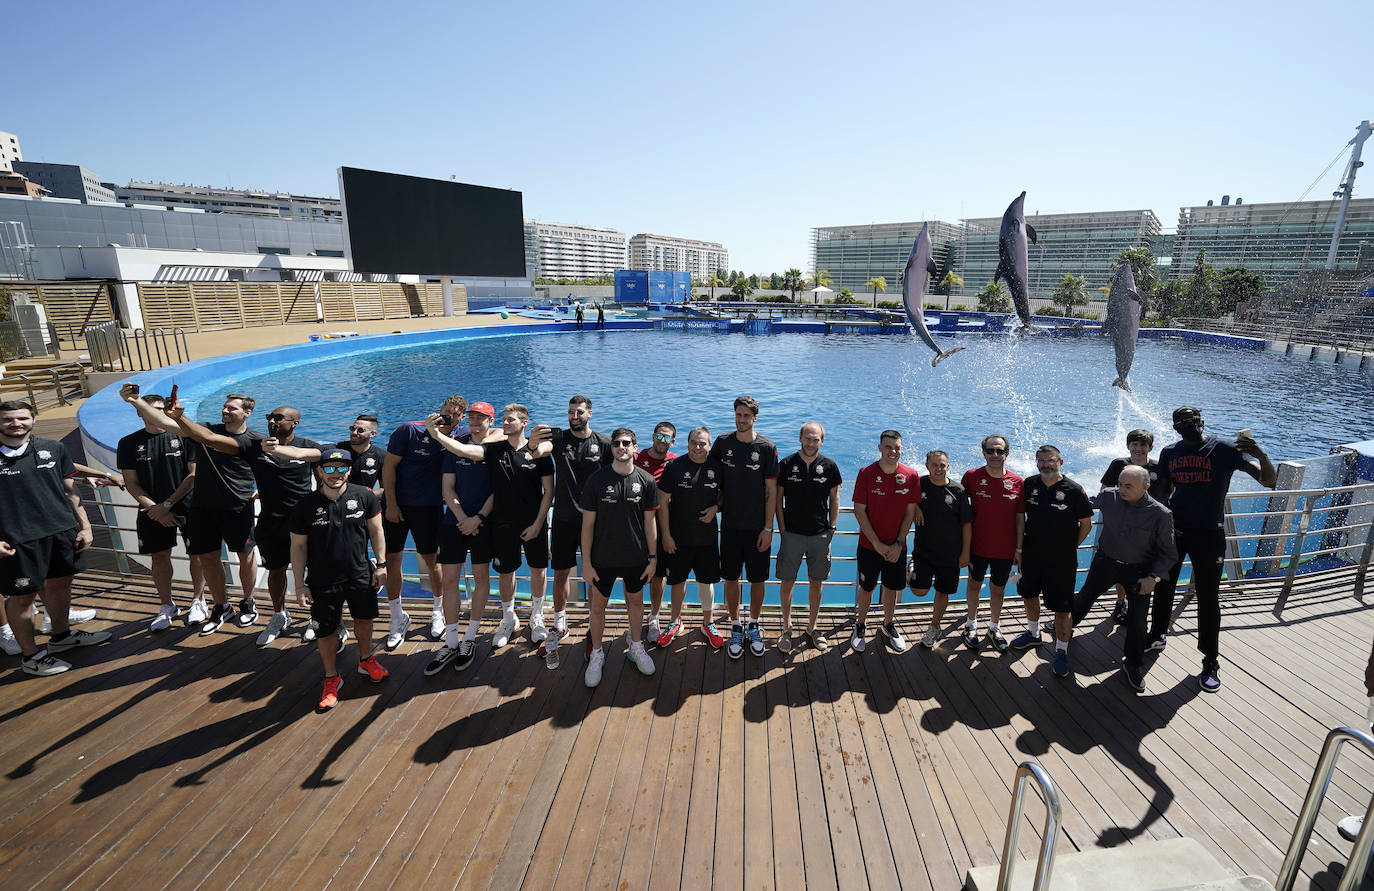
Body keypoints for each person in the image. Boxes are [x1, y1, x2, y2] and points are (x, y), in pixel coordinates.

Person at [1151, 406, 1276, 693]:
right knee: (1164, 586)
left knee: (1208, 597)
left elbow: (1269, 481)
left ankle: (1210, 660)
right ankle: (1157, 633)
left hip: (1210, 534)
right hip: (1176, 532)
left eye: (1191, 420)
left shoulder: (1224, 448)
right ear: (1174, 427)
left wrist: (1260, 455)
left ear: (1202, 422)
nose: (1187, 425)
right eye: (1181, 422)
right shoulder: (1170, 453)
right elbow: (1162, 492)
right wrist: (1167, 520)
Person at [425, 404, 553, 652]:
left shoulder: (541, 452)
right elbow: (464, 450)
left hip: (534, 522)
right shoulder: (494, 450)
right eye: (503, 420)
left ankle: (537, 617)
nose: (504, 424)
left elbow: (549, 492)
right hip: (503, 524)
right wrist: (438, 435)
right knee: (506, 572)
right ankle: (508, 618)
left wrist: (539, 523)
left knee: (538, 570)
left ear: (524, 423)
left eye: (510, 420)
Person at [0, 400, 109, 676]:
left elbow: (71, 491)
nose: (16, 424)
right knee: (21, 598)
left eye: (22, 418)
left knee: (61, 585)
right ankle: (31, 656)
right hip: (17, 540)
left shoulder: (54, 448)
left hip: (61, 532)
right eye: (8, 419)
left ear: (33, 419)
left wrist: (85, 526)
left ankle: (61, 637)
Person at [258, 412, 386, 642]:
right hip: (324, 516)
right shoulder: (335, 448)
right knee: (319, 568)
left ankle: (339, 622)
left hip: (359, 518)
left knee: (352, 570)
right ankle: (321, 619)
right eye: (352, 428)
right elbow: (300, 453)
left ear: (373, 434)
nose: (354, 433)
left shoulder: (380, 456)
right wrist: (274, 450)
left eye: (360, 430)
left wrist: (364, 497)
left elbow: (388, 488)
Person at [289, 449, 388, 710]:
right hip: (322, 579)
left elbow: (376, 531)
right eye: (329, 468)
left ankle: (366, 660)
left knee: (364, 620)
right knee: (326, 630)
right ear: (319, 471)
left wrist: (382, 564)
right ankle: (331, 678)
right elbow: (298, 547)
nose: (336, 474)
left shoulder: (365, 496)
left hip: (360, 573)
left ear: (349, 470)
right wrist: (299, 584)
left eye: (341, 468)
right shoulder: (304, 506)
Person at [160, 393, 262, 635]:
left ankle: (248, 602)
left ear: (247, 413)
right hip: (203, 507)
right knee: (207, 558)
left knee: (244, 555)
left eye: (232, 408)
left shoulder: (255, 439)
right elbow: (166, 423)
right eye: (224, 407)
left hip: (238, 507)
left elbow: (270, 467)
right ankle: (221, 606)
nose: (225, 411)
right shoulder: (205, 428)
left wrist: (258, 488)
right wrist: (137, 402)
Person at [1069, 465, 1177, 691]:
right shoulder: (1109, 496)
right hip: (1105, 563)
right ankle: (1065, 628)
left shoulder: (1161, 514)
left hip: (1139, 573)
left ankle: (1134, 665)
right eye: (1120, 483)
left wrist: (1154, 578)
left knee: (1138, 621)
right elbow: (1083, 504)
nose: (1122, 489)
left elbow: (1169, 553)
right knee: (1084, 597)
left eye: (1128, 486)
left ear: (1146, 487)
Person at [380, 396, 467, 649]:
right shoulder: (409, 430)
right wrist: (392, 504)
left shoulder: (459, 436)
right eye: (445, 413)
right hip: (398, 505)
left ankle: (438, 610)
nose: (448, 418)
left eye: (455, 415)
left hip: (429, 507)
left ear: (461, 418)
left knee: (432, 561)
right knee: (392, 559)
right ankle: (397, 617)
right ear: (437, 411)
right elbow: (389, 468)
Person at [116, 389, 206, 631]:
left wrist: (167, 505)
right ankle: (167, 605)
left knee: (197, 555)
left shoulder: (186, 437)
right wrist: (155, 508)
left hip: (190, 506)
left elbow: (194, 474)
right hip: (151, 511)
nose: (157, 415)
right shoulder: (128, 443)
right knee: (159, 557)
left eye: (160, 410)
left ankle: (198, 600)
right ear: (139, 413)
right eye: (151, 410)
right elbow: (131, 482)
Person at [580, 427, 659, 686]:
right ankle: (597, 653)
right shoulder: (596, 480)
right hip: (602, 558)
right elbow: (588, 525)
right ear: (611, 448)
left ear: (635, 447)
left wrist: (653, 558)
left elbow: (650, 523)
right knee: (598, 609)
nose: (621, 447)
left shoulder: (646, 481)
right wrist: (587, 563)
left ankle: (636, 646)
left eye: (626, 443)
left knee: (636, 604)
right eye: (616, 443)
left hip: (635, 557)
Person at [1010, 445, 1094, 676]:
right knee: (1028, 595)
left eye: (1051, 460)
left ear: (1061, 462)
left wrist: (1068, 548)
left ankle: (1061, 651)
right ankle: (1034, 634)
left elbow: (1086, 524)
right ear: (1037, 463)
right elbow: (1019, 515)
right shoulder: (1029, 484)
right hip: (1031, 556)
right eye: (1041, 460)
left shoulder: (1074, 490)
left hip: (1061, 562)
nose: (1046, 464)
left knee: (1062, 608)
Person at [424, 401, 495, 675]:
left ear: (491, 421)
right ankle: (451, 640)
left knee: (480, 579)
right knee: (450, 581)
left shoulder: (496, 448)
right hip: (454, 523)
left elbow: (498, 491)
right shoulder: (455, 446)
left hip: (482, 524)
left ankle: (470, 637)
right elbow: (447, 487)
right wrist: (462, 517)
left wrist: (477, 519)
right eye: (473, 417)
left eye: (482, 417)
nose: (476, 421)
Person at [710, 395, 778, 659]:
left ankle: (754, 622)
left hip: (757, 527)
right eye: (738, 415)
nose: (741, 420)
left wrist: (768, 528)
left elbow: (772, 492)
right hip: (729, 526)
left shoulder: (766, 447)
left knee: (758, 578)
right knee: (731, 577)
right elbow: (711, 476)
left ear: (755, 418)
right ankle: (736, 623)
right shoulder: (722, 442)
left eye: (746, 416)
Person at [543, 396, 612, 658]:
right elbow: (539, 451)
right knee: (560, 573)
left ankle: (593, 628)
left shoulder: (604, 443)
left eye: (579, 412)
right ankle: (560, 622)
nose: (574, 416)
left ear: (590, 414)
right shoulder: (559, 440)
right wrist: (534, 441)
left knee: (593, 575)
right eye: (571, 411)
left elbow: (611, 479)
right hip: (563, 518)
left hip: (594, 521)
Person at [250, 406, 323, 645]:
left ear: (295, 423)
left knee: (315, 571)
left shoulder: (309, 447)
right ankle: (279, 616)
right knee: (276, 569)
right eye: (269, 417)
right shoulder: (256, 446)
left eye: (279, 417)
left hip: (304, 523)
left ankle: (317, 617)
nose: (272, 420)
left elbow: (324, 482)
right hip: (270, 522)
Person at [775, 422, 841, 653]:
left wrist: (832, 527)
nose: (811, 443)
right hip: (791, 534)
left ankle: (812, 628)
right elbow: (778, 500)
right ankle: (786, 627)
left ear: (822, 441)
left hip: (820, 535)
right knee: (787, 582)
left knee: (816, 582)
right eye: (808, 438)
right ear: (800, 438)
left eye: (816, 439)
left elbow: (835, 498)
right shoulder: (786, 464)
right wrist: (782, 529)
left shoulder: (830, 466)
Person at [851, 430, 920, 652]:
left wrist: (898, 544)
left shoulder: (911, 476)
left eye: (897, 447)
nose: (893, 451)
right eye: (888, 447)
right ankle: (860, 625)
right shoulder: (866, 473)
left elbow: (910, 513)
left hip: (897, 548)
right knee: (866, 587)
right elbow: (859, 511)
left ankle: (888, 624)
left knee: (892, 588)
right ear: (880, 447)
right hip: (869, 547)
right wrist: (878, 544)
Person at [657, 426, 725, 649]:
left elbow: (726, 495)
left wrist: (716, 507)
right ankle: (674, 622)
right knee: (677, 582)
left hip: (706, 539)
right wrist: (665, 535)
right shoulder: (675, 466)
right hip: (678, 538)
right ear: (687, 443)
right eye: (694, 442)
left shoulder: (718, 467)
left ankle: (708, 623)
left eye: (702, 443)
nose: (698, 447)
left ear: (709, 444)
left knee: (707, 582)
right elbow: (662, 501)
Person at [961, 434, 1025, 652]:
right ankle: (970, 624)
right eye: (990, 451)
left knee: (998, 589)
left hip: (1005, 549)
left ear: (1007, 453)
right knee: (974, 584)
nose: (995, 455)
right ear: (983, 453)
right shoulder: (971, 477)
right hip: (977, 546)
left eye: (999, 451)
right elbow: (959, 510)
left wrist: (1019, 549)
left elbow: (1019, 519)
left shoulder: (1017, 482)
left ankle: (994, 627)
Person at [1099, 429, 1167, 625]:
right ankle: (1121, 602)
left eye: (1142, 445)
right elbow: (1104, 492)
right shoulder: (1119, 464)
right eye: (1134, 444)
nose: (1138, 449)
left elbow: (1166, 495)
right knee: (1120, 566)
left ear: (1150, 447)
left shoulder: (1158, 468)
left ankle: (1138, 607)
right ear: (1128, 446)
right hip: (1121, 529)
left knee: (1144, 568)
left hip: (1148, 531)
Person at [911, 450, 972, 649]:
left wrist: (965, 553)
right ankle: (911, 567)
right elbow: (904, 503)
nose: (938, 469)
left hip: (950, 554)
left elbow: (966, 524)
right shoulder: (919, 484)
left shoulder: (958, 491)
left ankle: (934, 627)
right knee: (919, 591)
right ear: (927, 465)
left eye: (942, 465)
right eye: (934, 465)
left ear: (948, 466)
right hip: (924, 551)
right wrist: (916, 508)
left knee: (943, 591)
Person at [633, 421, 677, 645]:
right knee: (635, 575)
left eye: (667, 438)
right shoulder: (635, 457)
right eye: (659, 436)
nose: (662, 441)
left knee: (658, 575)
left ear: (673, 441)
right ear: (652, 437)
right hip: (635, 527)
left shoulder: (675, 463)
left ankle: (654, 617)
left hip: (661, 528)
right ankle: (635, 616)